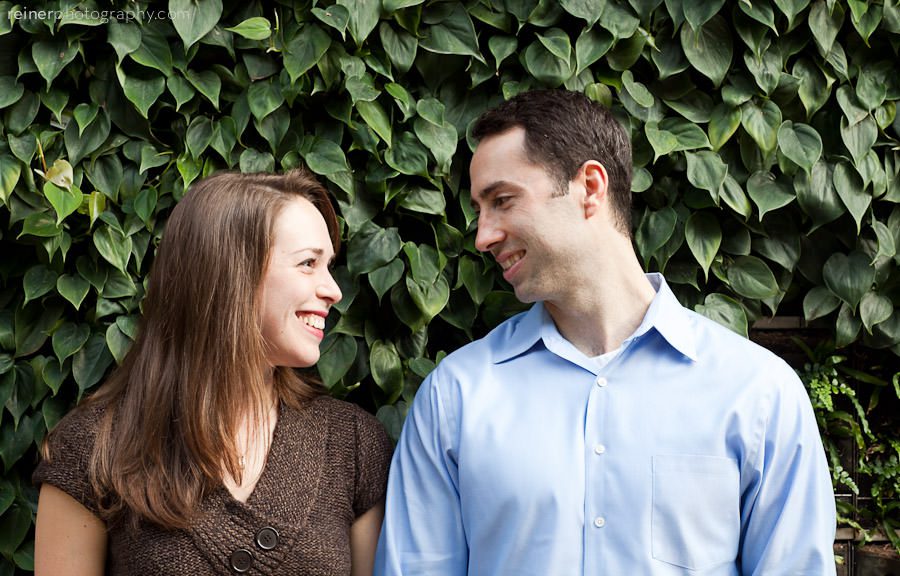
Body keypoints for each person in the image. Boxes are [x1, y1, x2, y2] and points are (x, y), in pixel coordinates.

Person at [375, 90, 836, 575]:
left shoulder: (757, 393)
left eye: (503, 201)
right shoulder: (455, 397)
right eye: (481, 209)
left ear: (590, 187)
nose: (483, 236)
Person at [33, 169, 392, 576]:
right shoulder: (92, 447)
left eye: (328, 265)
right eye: (308, 263)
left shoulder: (353, 444)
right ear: (230, 272)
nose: (334, 290)